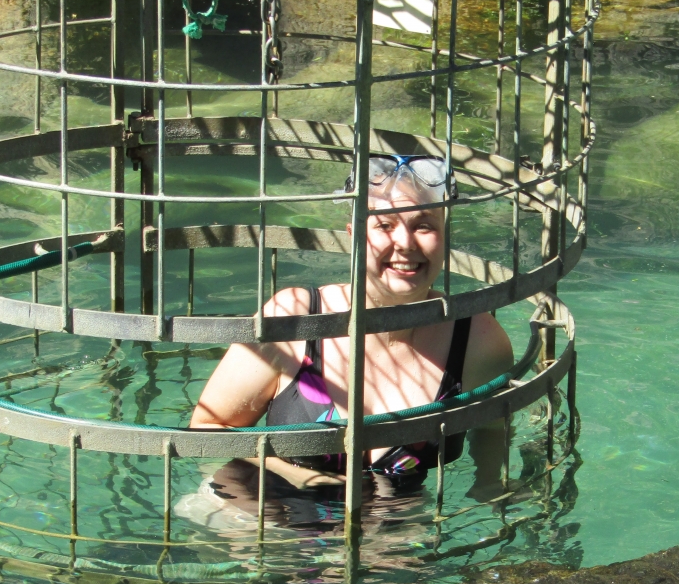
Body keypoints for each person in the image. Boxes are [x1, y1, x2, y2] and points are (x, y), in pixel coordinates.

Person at [189, 155, 514, 521]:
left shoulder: (477, 337)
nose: (405, 243)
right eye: (385, 226)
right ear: (353, 236)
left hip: (399, 540)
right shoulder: (295, 317)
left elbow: (492, 431)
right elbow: (207, 432)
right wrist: (308, 479)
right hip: (264, 517)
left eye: (424, 226)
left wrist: (488, 499)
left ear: (445, 236)